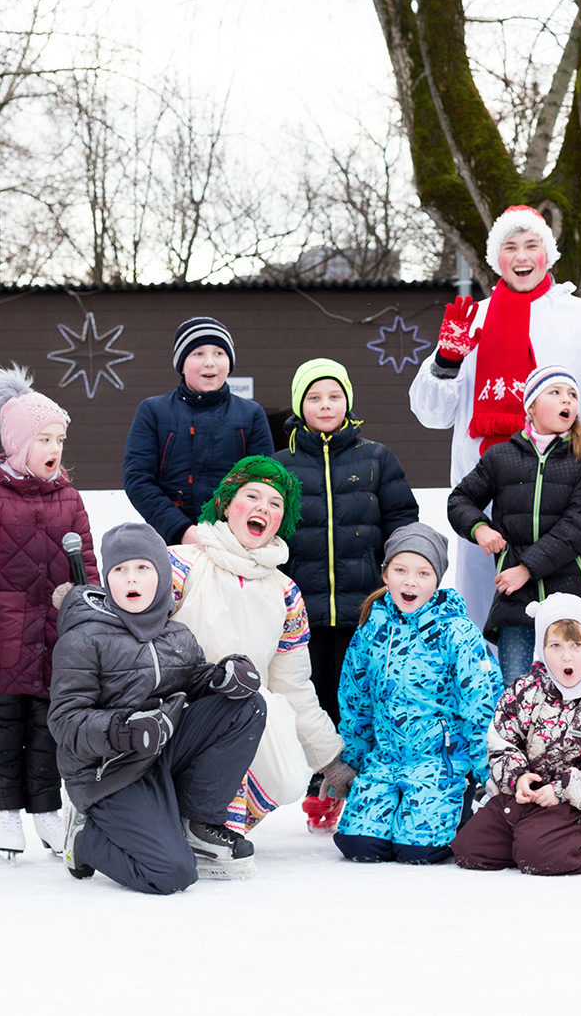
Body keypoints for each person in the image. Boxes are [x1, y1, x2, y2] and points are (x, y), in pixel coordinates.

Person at [409, 205, 581, 627]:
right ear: (496, 259)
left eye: (532, 245)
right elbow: (431, 413)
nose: (521, 257)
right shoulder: (476, 320)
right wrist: (447, 362)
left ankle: (566, 689)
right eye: (510, 247)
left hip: (565, 492)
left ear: (549, 254)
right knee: (484, 612)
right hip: (487, 495)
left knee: (564, 614)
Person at [48, 523, 266, 893]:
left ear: (162, 575)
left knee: (247, 705)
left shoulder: (176, 633)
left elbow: (193, 678)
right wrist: (122, 731)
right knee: (170, 873)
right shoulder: (84, 639)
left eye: (142, 568)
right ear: (107, 580)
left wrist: (224, 675)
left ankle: (196, 822)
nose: (131, 578)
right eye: (120, 570)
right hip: (110, 773)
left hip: (161, 751)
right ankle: (85, 839)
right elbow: (65, 721)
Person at [0, 365, 98, 859]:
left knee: (49, 732)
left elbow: (88, 570)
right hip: (3, 641)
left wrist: (92, 621)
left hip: (57, 643)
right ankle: (4, 814)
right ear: (17, 444)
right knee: (4, 733)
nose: (54, 449)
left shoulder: (70, 499)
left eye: (59, 439)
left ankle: (47, 813)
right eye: (43, 439)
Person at [167, 455, 353, 838]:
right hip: (174, 712)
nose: (262, 509)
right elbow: (125, 611)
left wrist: (330, 758)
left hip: (242, 715)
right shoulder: (179, 564)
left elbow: (293, 686)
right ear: (226, 503)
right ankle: (163, 813)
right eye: (252, 496)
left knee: (287, 770)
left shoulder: (285, 593)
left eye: (274, 504)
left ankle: (215, 823)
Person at [272, 357, 419, 832]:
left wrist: (402, 581)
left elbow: (401, 522)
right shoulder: (281, 465)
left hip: (364, 607)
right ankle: (324, 787)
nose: (325, 405)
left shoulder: (377, 458)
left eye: (334, 396)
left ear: (348, 401)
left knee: (361, 702)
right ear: (300, 405)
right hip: (305, 609)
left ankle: (367, 787)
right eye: (314, 397)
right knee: (317, 701)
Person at [333, 525, 501, 863]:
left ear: (437, 580)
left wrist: (487, 772)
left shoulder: (456, 630)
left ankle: (461, 806)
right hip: (385, 761)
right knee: (358, 845)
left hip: (438, 762)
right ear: (385, 574)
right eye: (400, 570)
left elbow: (480, 705)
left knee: (417, 851)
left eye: (423, 573)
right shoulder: (372, 628)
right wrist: (352, 760)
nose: (411, 582)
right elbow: (356, 700)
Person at [451, 593, 581, 876]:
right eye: (556, 645)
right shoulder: (526, 690)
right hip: (527, 796)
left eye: (576, 644)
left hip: (577, 802)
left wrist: (562, 790)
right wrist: (517, 778)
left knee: (539, 857)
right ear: (542, 648)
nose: (567, 655)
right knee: (470, 849)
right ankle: (534, 839)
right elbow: (502, 740)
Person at [448, 364, 581, 685]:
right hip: (515, 602)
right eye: (556, 392)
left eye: (573, 394)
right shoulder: (501, 457)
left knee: (569, 695)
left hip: (569, 594)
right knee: (516, 694)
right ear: (531, 406)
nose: (568, 400)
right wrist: (479, 527)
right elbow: (460, 500)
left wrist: (526, 569)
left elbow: (579, 526)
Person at [123, 317, 274, 546]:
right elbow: (138, 479)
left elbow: (263, 482)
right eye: (198, 354)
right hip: (169, 543)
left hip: (236, 544)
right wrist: (181, 529)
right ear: (181, 364)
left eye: (219, 353)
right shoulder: (153, 411)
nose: (210, 363)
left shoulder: (251, 414)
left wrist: (234, 531)